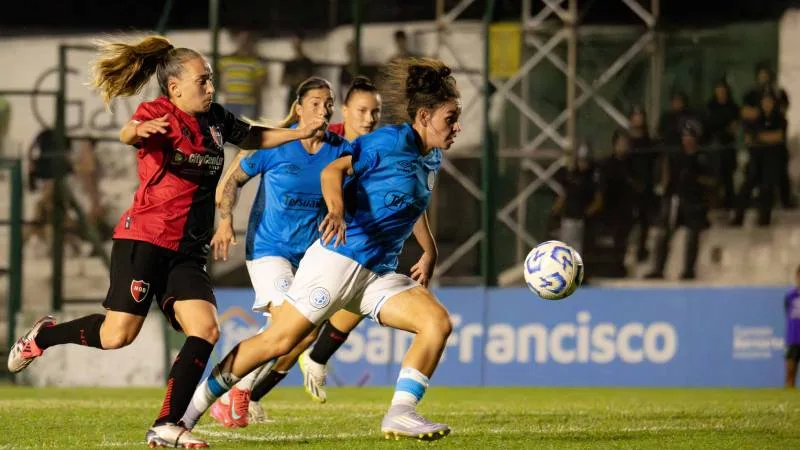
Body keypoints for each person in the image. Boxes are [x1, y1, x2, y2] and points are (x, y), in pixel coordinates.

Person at [6, 35, 325, 449]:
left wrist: (298, 132)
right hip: (145, 240)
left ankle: (167, 424)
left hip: (187, 252)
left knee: (206, 329)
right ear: (174, 88)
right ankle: (42, 337)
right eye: (202, 80)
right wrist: (138, 130)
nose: (210, 87)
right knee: (117, 335)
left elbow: (251, 137)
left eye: (210, 79)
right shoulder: (158, 113)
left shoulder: (215, 119)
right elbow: (128, 133)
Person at [181, 57, 459, 442]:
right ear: (425, 116)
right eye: (450, 118)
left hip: (376, 272)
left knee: (436, 322)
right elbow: (333, 171)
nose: (457, 127)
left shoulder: (431, 156)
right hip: (338, 260)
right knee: (278, 340)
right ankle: (188, 413)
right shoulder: (388, 142)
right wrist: (337, 210)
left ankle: (401, 413)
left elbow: (413, 206)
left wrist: (429, 251)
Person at [206, 76, 383, 428]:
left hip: (310, 256)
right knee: (284, 322)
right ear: (299, 108)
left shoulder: (340, 150)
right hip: (268, 250)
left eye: (328, 104)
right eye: (315, 103)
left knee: (306, 332)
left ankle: (237, 391)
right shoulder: (274, 145)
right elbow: (232, 180)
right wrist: (225, 221)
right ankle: (233, 393)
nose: (323, 109)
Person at [646, 120, 714, 280]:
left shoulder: (702, 158)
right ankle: (658, 268)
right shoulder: (677, 157)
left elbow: (711, 181)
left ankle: (689, 270)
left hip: (695, 202)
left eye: (690, 136)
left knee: (692, 236)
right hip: (677, 199)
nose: (687, 139)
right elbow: (669, 179)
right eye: (685, 136)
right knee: (663, 234)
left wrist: (696, 180)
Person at [705, 78, 740, 210]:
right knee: (715, 174)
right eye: (718, 90)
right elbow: (709, 125)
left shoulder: (733, 107)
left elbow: (734, 127)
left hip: (728, 144)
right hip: (714, 145)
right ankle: (715, 201)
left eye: (723, 90)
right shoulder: (710, 106)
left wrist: (727, 129)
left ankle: (729, 202)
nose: (720, 93)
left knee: (728, 175)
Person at [218, 30, 267, 119]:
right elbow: (214, 75)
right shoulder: (227, 60)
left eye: (247, 39)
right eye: (242, 39)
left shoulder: (256, 62)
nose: (244, 42)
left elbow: (259, 86)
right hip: (230, 102)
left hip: (248, 104)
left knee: (244, 127)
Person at [283, 32, 315, 111]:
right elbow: (284, 80)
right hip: (293, 97)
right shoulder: (290, 63)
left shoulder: (308, 62)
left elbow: (311, 81)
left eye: (298, 43)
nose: (296, 45)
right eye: (295, 43)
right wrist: (297, 79)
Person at [784, 265, 800, 388]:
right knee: (790, 372)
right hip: (793, 338)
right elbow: (787, 311)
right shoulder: (790, 295)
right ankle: (789, 393)